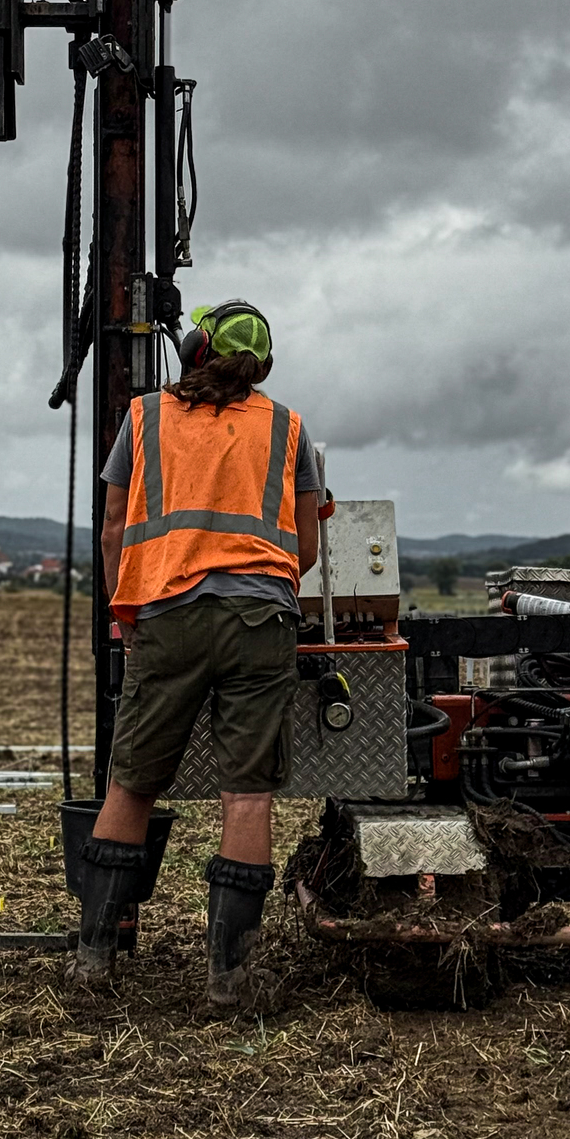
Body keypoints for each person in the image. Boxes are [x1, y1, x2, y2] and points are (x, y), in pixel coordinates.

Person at [77, 300, 328, 1009]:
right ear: (264, 367)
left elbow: (113, 531)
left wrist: (130, 611)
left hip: (166, 616)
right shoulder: (288, 427)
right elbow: (305, 546)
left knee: (131, 782)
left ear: (193, 350)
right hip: (259, 619)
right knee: (246, 792)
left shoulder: (145, 417)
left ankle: (95, 962)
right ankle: (228, 980)